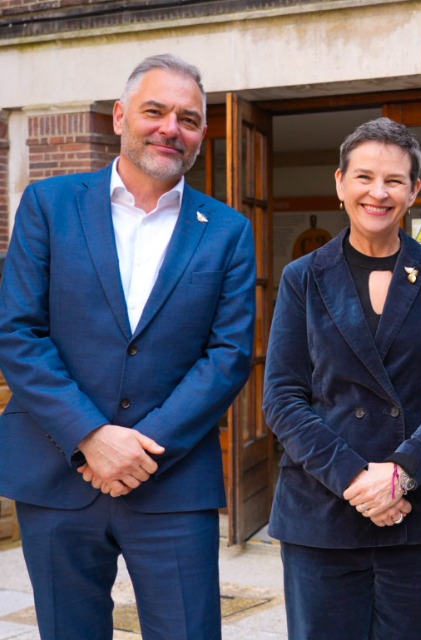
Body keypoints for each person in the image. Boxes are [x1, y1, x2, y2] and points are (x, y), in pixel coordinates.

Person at [0, 54, 256, 639]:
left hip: (171, 480)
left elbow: (227, 356)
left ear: (202, 135)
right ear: (120, 116)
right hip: (56, 472)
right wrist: (90, 437)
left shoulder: (227, 230)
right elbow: (18, 332)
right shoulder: (48, 205)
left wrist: (140, 451)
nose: (172, 128)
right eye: (155, 111)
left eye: (188, 118)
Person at [262, 117, 421, 640]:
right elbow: (283, 397)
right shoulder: (303, 277)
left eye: (394, 181)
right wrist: (357, 479)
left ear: (413, 192)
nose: (377, 193)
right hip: (323, 512)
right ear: (340, 184)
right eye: (363, 177)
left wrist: (400, 475)